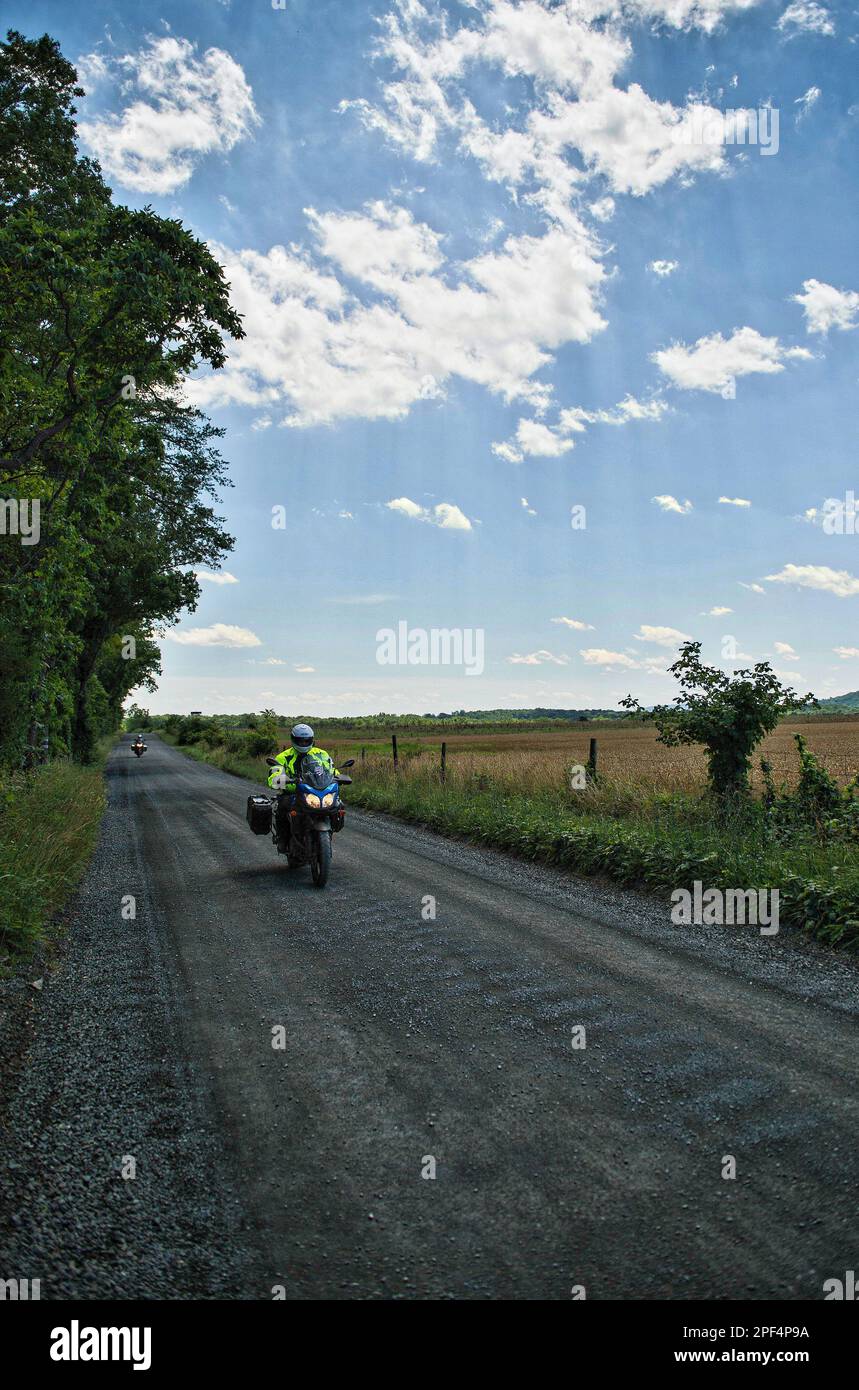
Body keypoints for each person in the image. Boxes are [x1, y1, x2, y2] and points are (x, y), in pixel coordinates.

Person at [267, 723, 339, 848]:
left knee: (338, 805)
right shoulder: (283, 757)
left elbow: (331, 770)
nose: (304, 743)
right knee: (282, 807)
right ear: (294, 740)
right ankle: (282, 839)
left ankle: (331, 830)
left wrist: (338, 777)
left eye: (307, 741)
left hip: (315, 790)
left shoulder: (321, 754)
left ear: (312, 740)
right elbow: (275, 773)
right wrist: (279, 780)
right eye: (301, 741)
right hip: (292, 792)